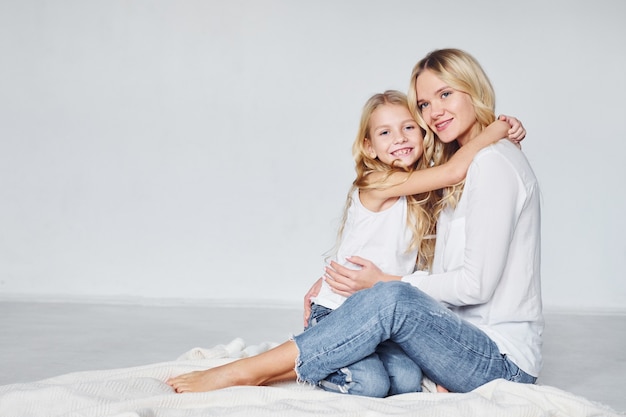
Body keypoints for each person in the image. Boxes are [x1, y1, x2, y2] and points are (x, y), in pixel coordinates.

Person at [167, 48, 541, 396]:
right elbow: (394, 236)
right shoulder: (461, 169)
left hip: (500, 361)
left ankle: (251, 370)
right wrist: (337, 272)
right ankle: (277, 362)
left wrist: (384, 284)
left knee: (392, 300)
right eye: (425, 103)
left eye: (446, 95)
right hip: (457, 337)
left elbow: (474, 286)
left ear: (473, 90)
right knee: (395, 354)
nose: (434, 112)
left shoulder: (491, 165)